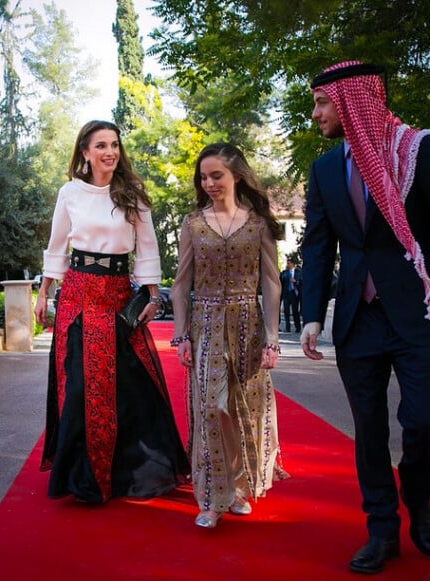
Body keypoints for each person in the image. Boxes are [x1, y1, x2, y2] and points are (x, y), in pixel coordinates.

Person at [300, 61, 430, 574]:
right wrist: (312, 315)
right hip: (358, 319)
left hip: (416, 310)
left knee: (424, 420)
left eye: (322, 103)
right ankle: (381, 529)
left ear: (352, 99)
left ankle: (419, 499)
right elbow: (317, 248)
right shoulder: (324, 169)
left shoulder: (415, 150)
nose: (315, 114)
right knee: (369, 429)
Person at [34, 120, 190, 504]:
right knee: (80, 386)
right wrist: (43, 293)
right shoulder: (70, 192)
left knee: (132, 384)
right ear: (85, 152)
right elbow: (56, 246)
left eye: (115, 145)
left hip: (119, 297)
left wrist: (153, 294)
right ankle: (83, 478)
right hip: (78, 296)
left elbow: (148, 245)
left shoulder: (131, 193)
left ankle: (128, 471)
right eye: (101, 145)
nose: (110, 152)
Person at [170, 142, 289, 528]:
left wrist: (272, 337)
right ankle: (210, 496)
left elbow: (271, 283)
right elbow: (180, 284)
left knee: (243, 411)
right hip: (205, 326)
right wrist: (181, 334)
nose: (208, 183)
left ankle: (236, 486)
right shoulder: (193, 224)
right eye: (203, 177)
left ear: (236, 174)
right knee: (211, 408)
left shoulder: (258, 224)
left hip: (247, 326)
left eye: (216, 175)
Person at [280, 258, 302, 332]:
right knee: (286, 311)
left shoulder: (298, 272)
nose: (287, 265)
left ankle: (297, 327)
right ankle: (287, 327)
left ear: (293, 264)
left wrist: (296, 282)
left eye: (289, 263)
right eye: (287, 263)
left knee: (295, 311)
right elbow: (281, 279)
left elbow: (301, 281)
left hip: (294, 293)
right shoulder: (285, 272)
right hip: (286, 294)